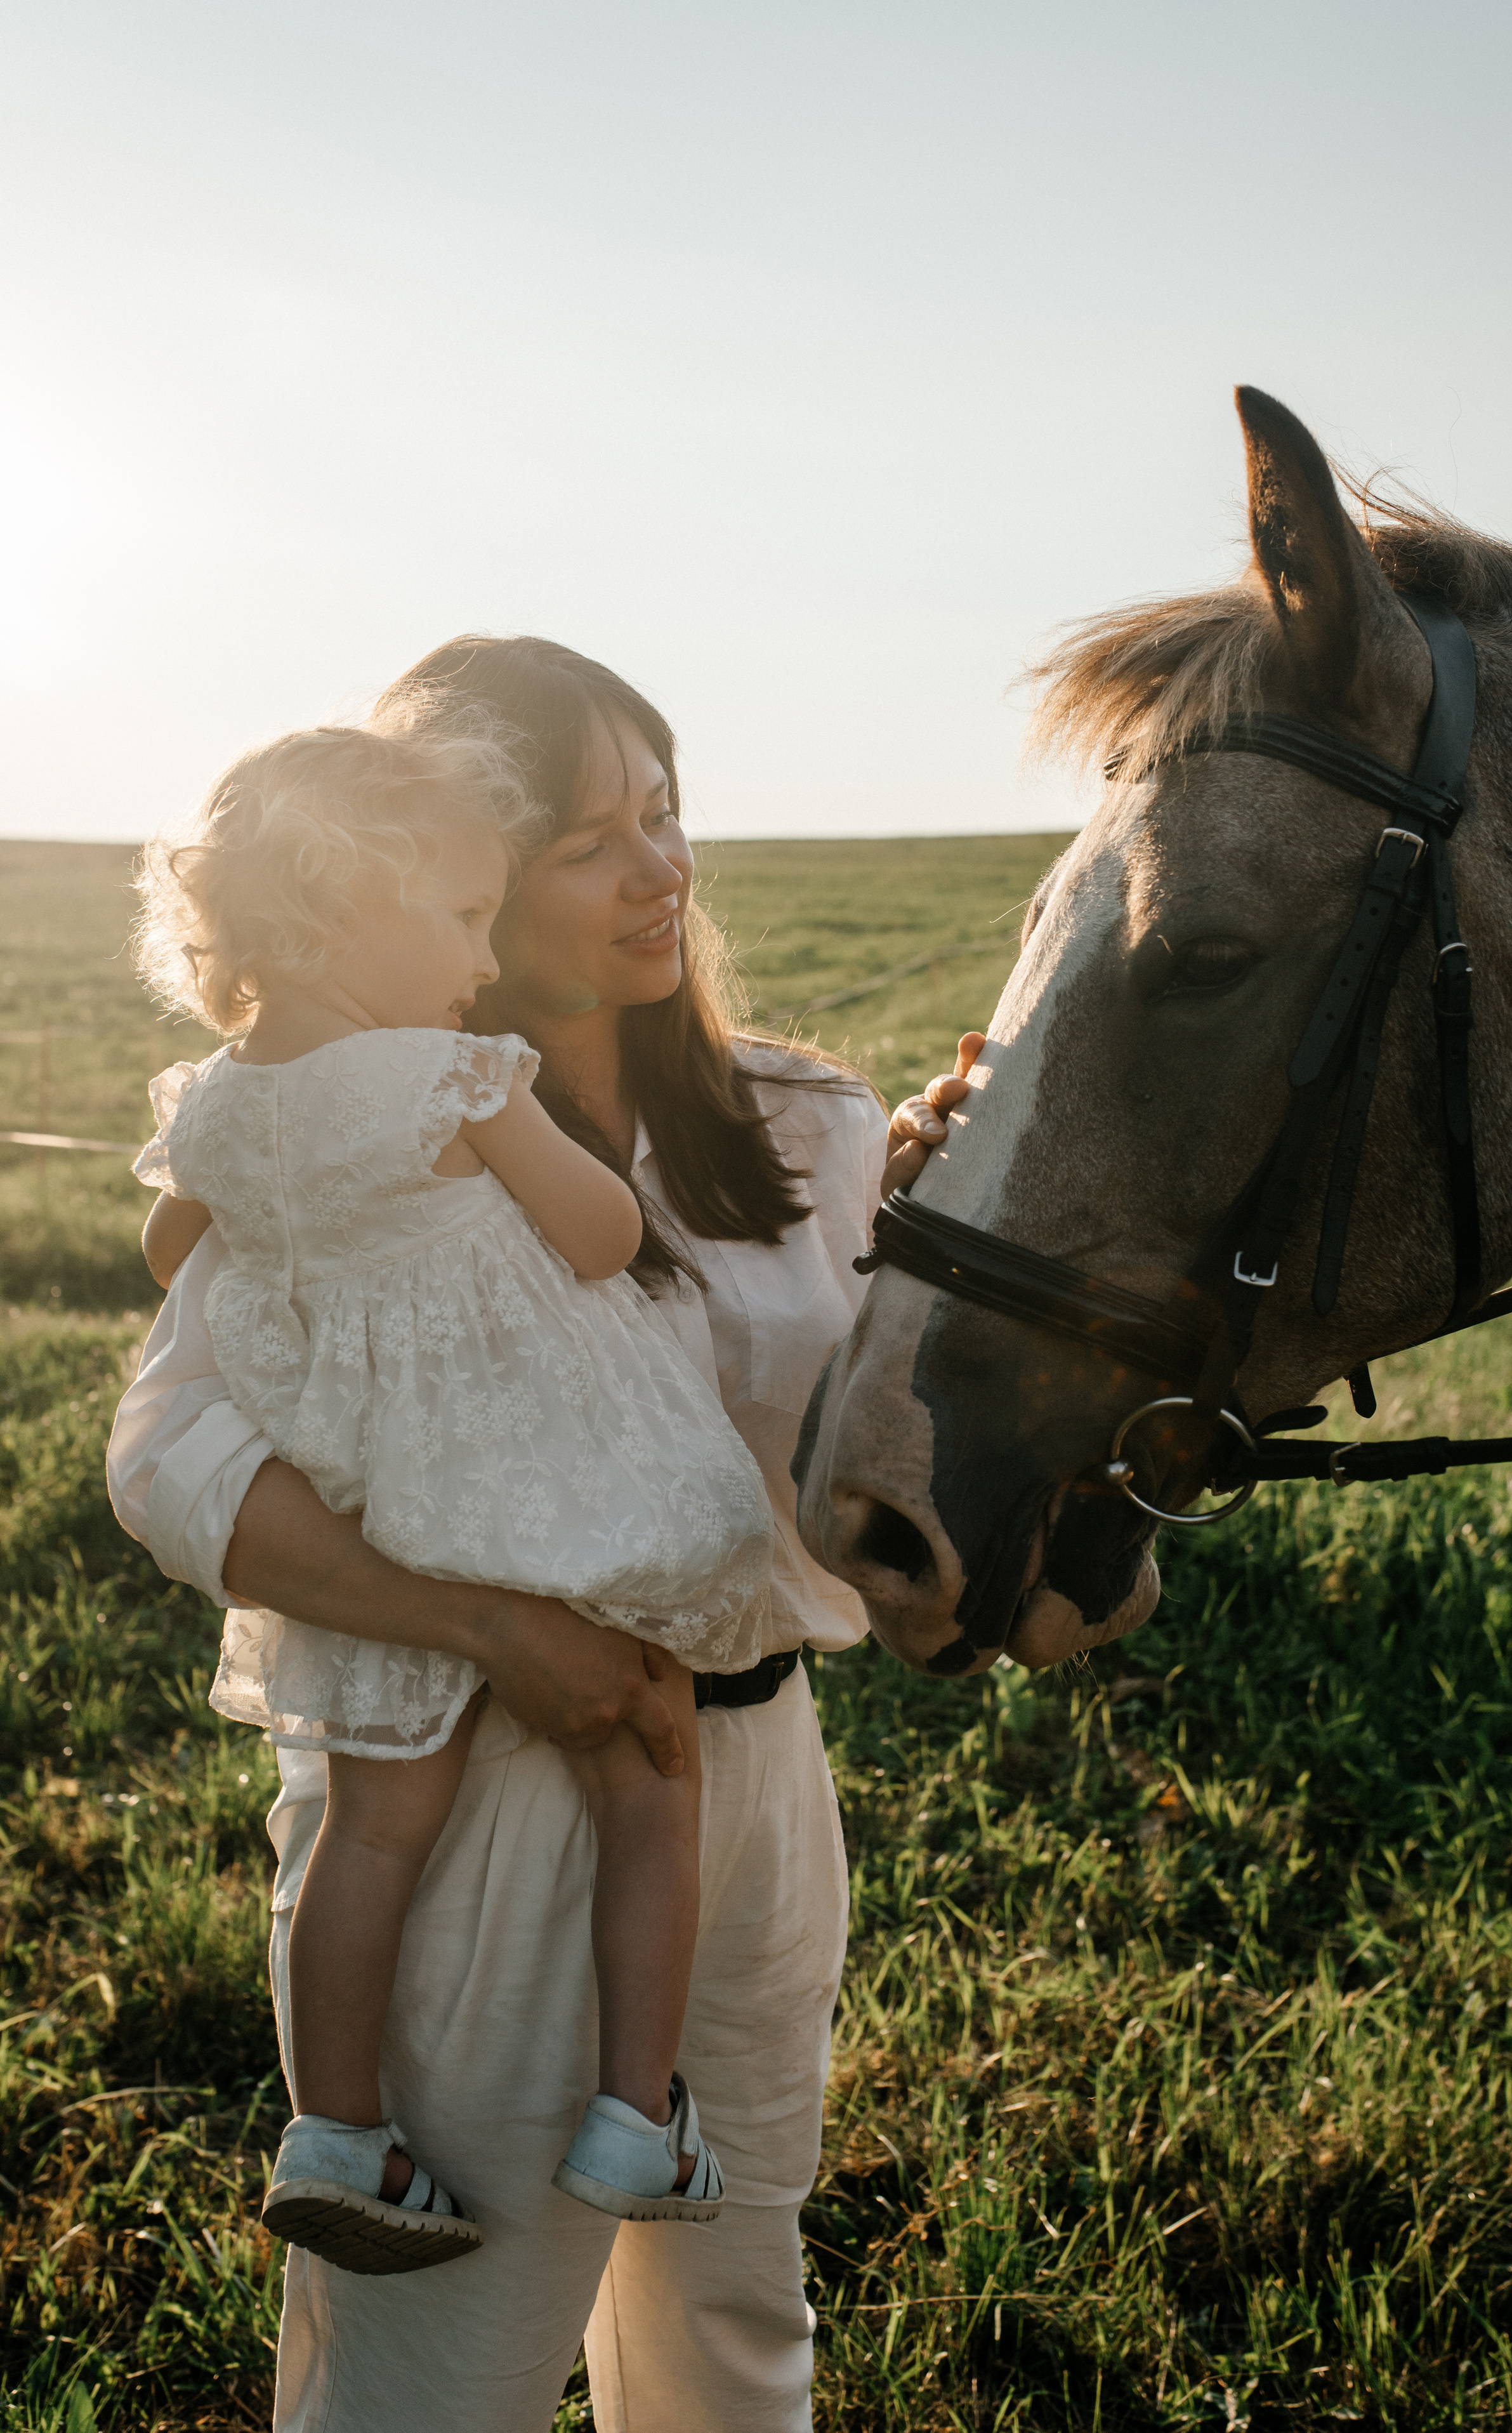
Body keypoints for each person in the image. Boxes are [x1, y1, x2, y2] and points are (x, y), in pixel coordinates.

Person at [107, 635, 969, 2430]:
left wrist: (966, 1219)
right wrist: (503, 1631)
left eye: (665, 812)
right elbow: (174, 1468)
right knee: (438, 2371)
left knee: (736, 2323)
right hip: (468, 1789)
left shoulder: (806, 1123)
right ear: (462, 885)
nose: (659, 870)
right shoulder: (349, 1138)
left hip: (750, 1777)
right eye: (588, 842)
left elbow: (859, 1434)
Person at [126, 714, 773, 2272]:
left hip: (368, 1503)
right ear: (340, 918)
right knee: (651, 1761)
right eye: (463, 917)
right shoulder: (458, 1074)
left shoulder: (208, 1107)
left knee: (368, 1831)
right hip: (528, 1480)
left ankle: (336, 2133)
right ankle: (633, 2113)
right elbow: (603, 1238)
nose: (481, 962)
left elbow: (170, 1254)